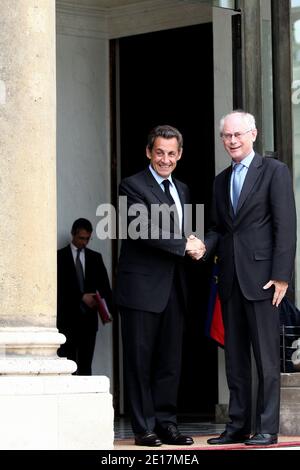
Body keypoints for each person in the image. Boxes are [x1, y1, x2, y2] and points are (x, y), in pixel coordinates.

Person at [201, 111, 296, 446]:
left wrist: (282, 276)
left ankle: (268, 428)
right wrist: (202, 246)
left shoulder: (274, 171)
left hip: (264, 282)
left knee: (267, 360)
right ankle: (238, 425)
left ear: (253, 134)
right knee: (236, 359)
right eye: (226, 136)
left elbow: (285, 226)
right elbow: (217, 228)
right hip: (229, 280)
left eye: (238, 135)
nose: (232, 141)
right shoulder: (219, 180)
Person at [115, 125, 205, 447]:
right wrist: (185, 245)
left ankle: (167, 423)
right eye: (159, 153)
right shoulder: (132, 186)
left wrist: (199, 243)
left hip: (174, 289)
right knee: (139, 362)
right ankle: (143, 428)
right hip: (140, 290)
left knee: (170, 362)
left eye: (171, 154)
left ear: (179, 155)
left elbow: (188, 231)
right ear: (148, 152)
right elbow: (143, 229)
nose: (165, 159)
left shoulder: (182, 190)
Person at [57, 218, 113, 375]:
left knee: (86, 366)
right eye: (81, 238)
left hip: (88, 322)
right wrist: (81, 297)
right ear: (73, 235)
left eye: (87, 238)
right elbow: (58, 289)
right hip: (66, 321)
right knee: (66, 365)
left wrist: (106, 310)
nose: (84, 242)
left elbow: (105, 288)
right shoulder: (59, 257)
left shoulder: (95, 257)